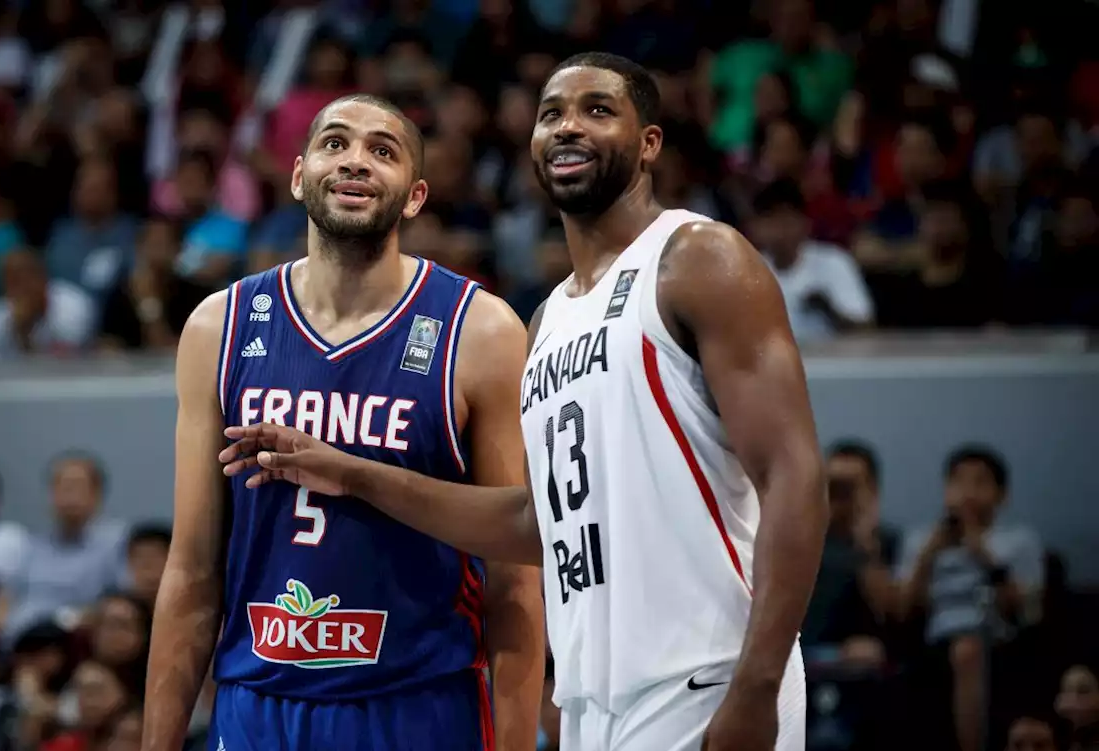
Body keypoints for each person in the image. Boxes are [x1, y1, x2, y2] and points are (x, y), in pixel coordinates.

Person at [222, 53, 826, 751]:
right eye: (551, 114)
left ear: (649, 143)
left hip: (707, 677)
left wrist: (756, 685)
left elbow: (795, 478)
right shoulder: (547, 321)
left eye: (598, 110)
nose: (569, 126)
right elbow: (533, 519)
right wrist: (352, 472)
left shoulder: (698, 259)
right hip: (591, 703)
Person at [143, 94, 545, 751]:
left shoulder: (481, 330)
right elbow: (191, 572)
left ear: (414, 197)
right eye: (335, 144)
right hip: (258, 703)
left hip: (419, 704)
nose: (356, 160)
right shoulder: (219, 326)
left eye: (382, 151)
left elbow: (514, 578)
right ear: (299, 176)